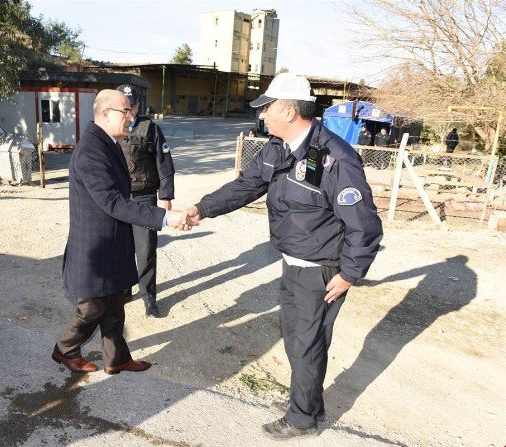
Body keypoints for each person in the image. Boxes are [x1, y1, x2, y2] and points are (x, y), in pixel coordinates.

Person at [182, 73, 383, 440]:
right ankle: (305, 403)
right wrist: (201, 209)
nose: (262, 116)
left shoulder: (336, 158)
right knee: (296, 339)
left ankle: (303, 419)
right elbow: (247, 185)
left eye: (267, 108)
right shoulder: (278, 147)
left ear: (289, 111)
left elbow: (364, 225)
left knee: (306, 342)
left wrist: (350, 274)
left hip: (323, 270)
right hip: (294, 262)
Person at [52, 89, 192, 375]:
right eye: (125, 111)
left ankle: (116, 358)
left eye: (130, 110)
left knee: (115, 303)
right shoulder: (91, 150)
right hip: (95, 247)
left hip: (112, 243)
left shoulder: (108, 142)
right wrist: (164, 217)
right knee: (91, 308)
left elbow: (120, 197)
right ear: (105, 114)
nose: (131, 116)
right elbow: (113, 202)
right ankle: (65, 349)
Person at [115, 84, 175, 318]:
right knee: (121, 247)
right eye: (125, 106)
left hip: (144, 197)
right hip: (118, 198)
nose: (128, 110)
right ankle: (125, 289)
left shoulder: (150, 129)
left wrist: (166, 196)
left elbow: (164, 163)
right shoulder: (110, 129)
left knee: (146, 249)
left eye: (132, 105)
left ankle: (149, 298)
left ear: (138, 106)